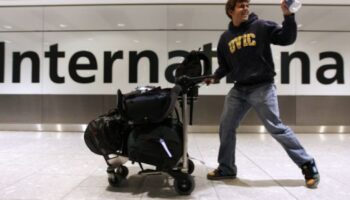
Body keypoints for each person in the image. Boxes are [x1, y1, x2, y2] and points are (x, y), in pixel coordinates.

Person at [205, 0, 320, 188]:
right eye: (241, 6)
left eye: (247, 5)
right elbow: (225, 66)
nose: (246, 8)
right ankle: (226, 168)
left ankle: (308, 164)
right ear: (230, 11)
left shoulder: (260, 26)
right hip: (239, 89)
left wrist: (288, 16)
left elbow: (286, 38)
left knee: (276, 128)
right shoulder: (225, 38)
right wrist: (214, 77)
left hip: (262, 87)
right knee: (226, 126)